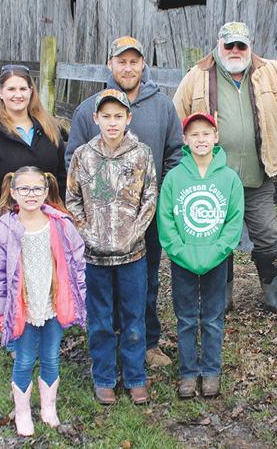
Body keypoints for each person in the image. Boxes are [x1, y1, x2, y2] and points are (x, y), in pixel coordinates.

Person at [173, 22, 277, 321]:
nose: (235, 51)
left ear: (250, 45)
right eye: (230, 45)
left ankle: (274, 296)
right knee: (219, 239)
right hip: (213, 181)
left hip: (258, 177)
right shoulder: (197, 77)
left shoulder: (270, 72)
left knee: (267, 236)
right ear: (219, 45)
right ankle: (222, 299)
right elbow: (175, 121)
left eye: (241, 45)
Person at [66, 36, 182, 368]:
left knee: (146, 279)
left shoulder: (162, 106)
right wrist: (87, 215)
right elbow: (73, 159)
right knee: (103, 283)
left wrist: (160, 198)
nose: (127, 68)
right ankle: (110, 340)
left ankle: (146, 342)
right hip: (101, 219)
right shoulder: (90, 109)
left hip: (145, 215)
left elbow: (174, 153)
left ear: (143, 64)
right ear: (110, 64)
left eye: (134, 61)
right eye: (121, 61)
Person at [66, 89, 157, 405]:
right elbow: (73, 199)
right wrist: (86, 232)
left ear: (128, 118)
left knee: (134, 316)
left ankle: (134, 376)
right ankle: (104, 376)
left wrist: (135, 232)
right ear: (96, 119)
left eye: (119, 116)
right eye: (106, 116)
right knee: (101, 317)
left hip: (132, 253)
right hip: (95, 255)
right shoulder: (83, 155)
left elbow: (149, 198)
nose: (112, 122)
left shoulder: (141, 154)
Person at [0, 166, 87, 437]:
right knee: (25, 358)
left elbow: (77, 265)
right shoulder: (3, 231)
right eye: (24, 189)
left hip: (52, 304)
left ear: (47, 190)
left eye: (37, 188)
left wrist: (79, 299)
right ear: (13, 192)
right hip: (22, 309)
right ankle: (22, 411)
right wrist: (0, 313)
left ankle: (48, 407)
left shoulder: (61, 225)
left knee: (52, 356)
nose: (31, 194)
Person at [157, 112, 244, 399]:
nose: (201, 139)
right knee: (185, 318)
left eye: (206, 133)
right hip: (182, 261)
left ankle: (210, 372)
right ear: (185, 140)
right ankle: (187, 373)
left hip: (216, 260)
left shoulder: (229, 178)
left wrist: (218, 251)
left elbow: (233, 221)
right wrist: (178, 251)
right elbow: (166, 219)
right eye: (194, 134)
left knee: (212, 318)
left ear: (216, 137)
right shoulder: (174, 177)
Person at [0, 64, 67, 228]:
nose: (18, 95)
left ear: (31, 91)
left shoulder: (51, 128)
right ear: (0, 92)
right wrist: (3, 218)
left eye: (23, 89)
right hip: (10, 223)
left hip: (50, 220)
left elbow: (62, 175)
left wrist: (60, 210)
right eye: (11, 89)